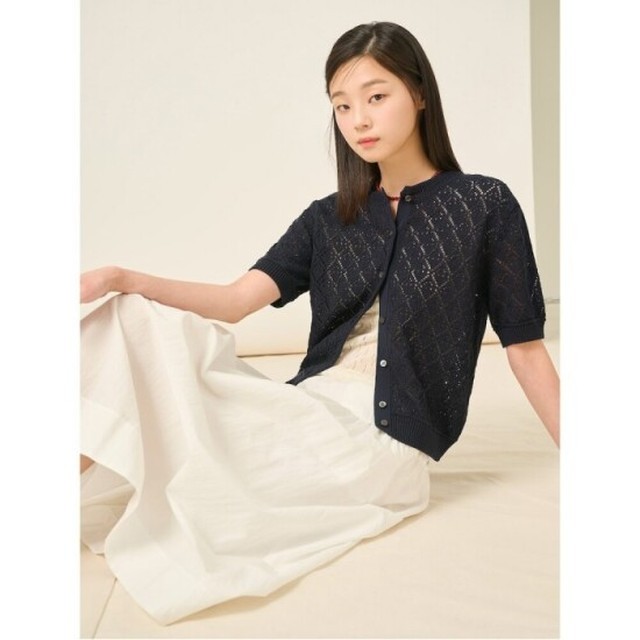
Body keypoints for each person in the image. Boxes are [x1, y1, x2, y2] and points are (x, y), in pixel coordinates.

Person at [80, 21, 559, 625]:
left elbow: (525, 349)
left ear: (419, 94)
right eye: (342, 105)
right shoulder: (329, 218)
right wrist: (123, 279)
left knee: (206, 473)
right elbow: (233, 301)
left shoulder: (483, 205)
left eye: (376, 96)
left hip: (382, 444)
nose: (358, 119)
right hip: (308, 409)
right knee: (124, 317)